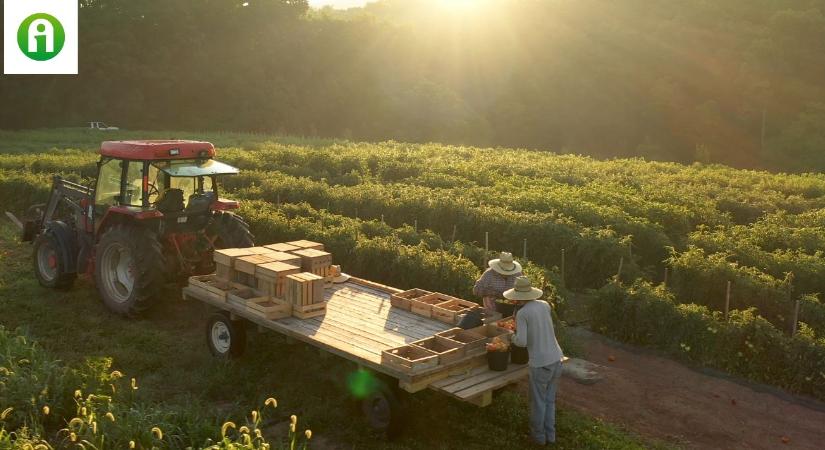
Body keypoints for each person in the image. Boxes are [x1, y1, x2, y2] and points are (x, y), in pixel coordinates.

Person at [504, 276, 564, 446]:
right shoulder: (544, 305)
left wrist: (511, 336)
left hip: (540, 363)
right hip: (556, 358)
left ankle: (538, 438)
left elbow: (522, 342)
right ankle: (551, 436)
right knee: (549, 401)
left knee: (538, 402)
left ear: (517, 296)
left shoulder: (523, 313)